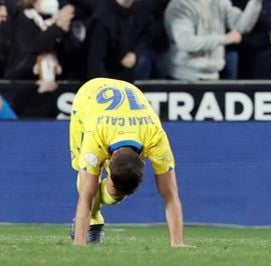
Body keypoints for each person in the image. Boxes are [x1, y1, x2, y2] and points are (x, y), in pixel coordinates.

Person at [68, 77, 184, 246]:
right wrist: (79, 243)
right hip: (87, 97)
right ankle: (94, 220)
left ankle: (98, 211)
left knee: (116, 192)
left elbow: (170, 194)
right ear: (108, 161)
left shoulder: (156, 138)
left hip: (127, 99)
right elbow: (86, 196)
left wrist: (177, 243)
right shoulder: (95, 138)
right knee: (87, 176)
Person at [164, 0, 263, 81]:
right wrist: (224, 39)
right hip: (184, 76)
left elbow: (241, 26)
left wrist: (255, 0)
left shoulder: (218, 0)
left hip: (213, 76)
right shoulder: (179, 5)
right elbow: (186, 42)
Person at [86, 0, 146, 81]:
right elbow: (95, 59)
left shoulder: (139, 9)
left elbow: (145, 33)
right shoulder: (103, 18)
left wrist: (135, 53)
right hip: (106, 79)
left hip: (126, 77)